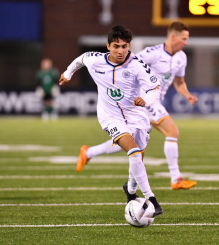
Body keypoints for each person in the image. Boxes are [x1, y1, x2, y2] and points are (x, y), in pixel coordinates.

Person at [76, 21, 198, 190]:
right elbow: (129, 63)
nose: (185, 42)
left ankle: (89, 153)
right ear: (173, 36)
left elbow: (179, 82)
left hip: (154, 102)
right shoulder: (152, 53)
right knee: (172, 131)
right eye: (183, 38)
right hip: (141, 102)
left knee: (129, 143)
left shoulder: (182, 58)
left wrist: (188, 95)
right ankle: (176, 178)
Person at [59, 25, 163, 216]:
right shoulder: (96, 60)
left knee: (138, 156)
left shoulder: (137, 65)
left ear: (129, 46)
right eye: (116, 46)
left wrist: (146, 100)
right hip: (110, 116)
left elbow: (154, 88)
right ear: (108, 46)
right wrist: (67, 73)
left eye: (124, 46)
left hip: (135, 114)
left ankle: (131, 191)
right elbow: (80, 60)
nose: (121, 50)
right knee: (133, 151)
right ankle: (151, 199)